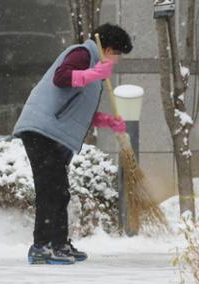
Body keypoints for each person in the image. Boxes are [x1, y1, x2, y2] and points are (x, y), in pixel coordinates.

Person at [12, 23, 133, 265]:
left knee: (59, 191)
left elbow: (79, 110)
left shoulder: (95, 71)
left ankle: (58, 243)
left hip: (52, 132)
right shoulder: (82, 54)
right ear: (107, 48)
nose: (117, 60)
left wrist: (109, 121)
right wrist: (93, 74)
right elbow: (61, 78)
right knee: (52, 190)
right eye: (117, 54)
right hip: (41, 130)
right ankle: (42, 246)